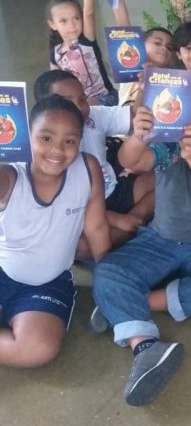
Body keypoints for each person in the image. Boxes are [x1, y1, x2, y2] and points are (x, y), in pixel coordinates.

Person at [90, 99, 191, 407]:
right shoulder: (169, 149)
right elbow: (132, 160)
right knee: (107, 271)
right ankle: (144, 344)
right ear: (184, 123)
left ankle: (123, 304)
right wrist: (138, 136)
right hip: (157, 240)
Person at [0, 95, 110, 367]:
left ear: (80, 142)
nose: (58, 150)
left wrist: (109, 278)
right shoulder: (11, 174)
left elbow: (96, 227)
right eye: (46, 138)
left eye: (69, 141)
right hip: (3, 269)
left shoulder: (87, 168)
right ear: (26, 135)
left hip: (49, 282)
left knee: (36, 349)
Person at [33, 70, 154, 248]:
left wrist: (143, 88)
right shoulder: (41, 148)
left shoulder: (94, 116)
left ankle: (134, 222)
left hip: (111, 189)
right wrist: (118, 220)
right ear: (44, 107)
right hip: (78, 210)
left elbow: (133, 115)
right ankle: (129, 230)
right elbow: (59, 205)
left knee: (162, 184)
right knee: (79, 245)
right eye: (67, 101)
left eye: (82, 99)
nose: (79, 107)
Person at [47, 0, 128, 106]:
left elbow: (88, 12)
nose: (72, 25)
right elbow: (54, 84)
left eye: (76, 18)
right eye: (63, 21)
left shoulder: (86, 40)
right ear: (52, 24)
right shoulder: (55, 54)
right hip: (79, 104)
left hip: (105, 99)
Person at [118, 26, 174, 106]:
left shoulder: (173, 80)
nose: (164, 48)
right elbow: (125, 30)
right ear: (142, 44)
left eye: (169, 47)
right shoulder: (132, 70)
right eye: (157, 43)